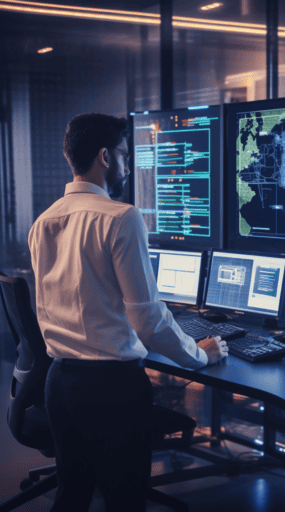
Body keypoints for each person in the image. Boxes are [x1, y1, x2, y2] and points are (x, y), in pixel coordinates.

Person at [28, 112, 228, 512]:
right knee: (125, 501)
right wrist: (200, 354)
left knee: (72, 493)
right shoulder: (121, 218)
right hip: (111, 392)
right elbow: (147, 319)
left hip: (60, 383)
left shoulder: (43, 221)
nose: (128, 163)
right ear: (105, 157)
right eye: (123, 153)